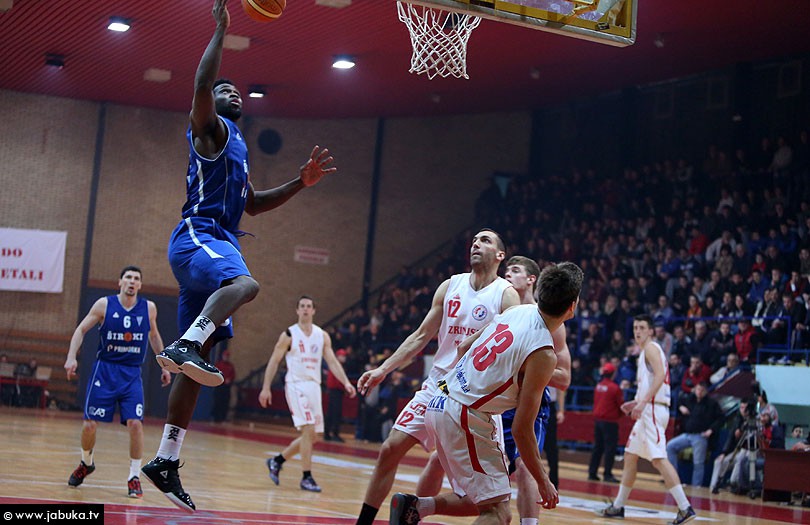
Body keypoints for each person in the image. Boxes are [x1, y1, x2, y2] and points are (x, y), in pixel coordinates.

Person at [141, 0, 336, 512]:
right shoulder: (209, 130)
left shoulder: (239, 150)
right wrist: (221, 30)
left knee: (198, 365)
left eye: (237, 92)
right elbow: (203, 85)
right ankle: (187, 342)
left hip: (218, 241)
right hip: (197, 235)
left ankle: (165, 459)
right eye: (226, 90)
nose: (233, 93)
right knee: (246, 285)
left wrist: (301, 182)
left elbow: (253, 204)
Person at [389, 262, 583, 525]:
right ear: (572, 306)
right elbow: (522, 430)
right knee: (498, 514)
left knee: (484, 500)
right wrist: (544, 481)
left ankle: (415, 507)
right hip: (465, 414)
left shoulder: (517, 311)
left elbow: (463, 348)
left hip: (441, 398)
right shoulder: (544, 354)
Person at [354, 229, 520, 525]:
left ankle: (418, 508)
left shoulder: (506, 295)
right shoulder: (450, 286)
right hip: (438, 387)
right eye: (474, 240)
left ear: (500, 255)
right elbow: (420, 336)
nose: (476, 244)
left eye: (485, 241)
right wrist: (383, 369)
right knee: (390, 448)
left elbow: (514, 346)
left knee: (487, 502)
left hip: (475, 398)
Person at [63, 266, 170, 498]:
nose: (132, 281)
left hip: (131, 374)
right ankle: (86, 463)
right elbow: (81, 330)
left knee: (135, 424)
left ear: (140, 285)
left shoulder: (149, 308)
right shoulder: (104, 305)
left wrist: (164, 364)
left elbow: (154, 336)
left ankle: (134, 476)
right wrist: (71, 357)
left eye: (136, 279)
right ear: (120, 282)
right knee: (89, 425)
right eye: (128, 277)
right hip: (105, 371)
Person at [598, 314, 696, 525]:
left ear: (651, 331)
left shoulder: (651, 348)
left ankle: (685, 507)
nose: (638, 331)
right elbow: (652, 382)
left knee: (659, 458)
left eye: (642, 327)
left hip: (652, 410)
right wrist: (635, 402)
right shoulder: (645, 352)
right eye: (635, 328)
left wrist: (643, 403)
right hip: (648, 408)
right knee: (630, 456)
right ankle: (618, 506)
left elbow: (660, 376)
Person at [260, 295, 356, 492]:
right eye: (302, 306)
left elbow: (332, 361)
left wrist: (346, 382)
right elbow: (274, 361)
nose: (305, 309)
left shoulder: (322, 335)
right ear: (297, 310)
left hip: (314, 386)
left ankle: (277, 461)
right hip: (296, 384)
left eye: (308, 306)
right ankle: (306, 477)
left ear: (313, 310)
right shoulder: (289, 334)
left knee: (314, 436)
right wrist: (266, 387)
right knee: (307, 429)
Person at [666, 381, 723, 486]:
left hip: (700, 436)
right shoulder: (690, 399)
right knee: (670, 446)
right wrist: (681, 407)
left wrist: (711, 430)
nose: (699, 392)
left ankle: (696, 486)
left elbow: (721, 418)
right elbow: (678, 401)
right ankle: (673, 479)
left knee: (698, 463)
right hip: (687, 434)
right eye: (698, 389)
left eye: (702, 390)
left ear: (706, 391)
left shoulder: (711, 403)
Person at [588, 363, 623, 483]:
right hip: (610, 422)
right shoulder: (615, 388)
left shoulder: (599, 386)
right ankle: (607, 474)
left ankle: (592, 472)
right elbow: (620, 405)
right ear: (613, 374)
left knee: (597, 447)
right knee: (610, 448)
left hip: (598, 420)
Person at [324, 348, 350, 442]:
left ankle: (328, 433)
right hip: (336, 392)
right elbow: (335, 382)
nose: (344, 358)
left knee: (331, 413)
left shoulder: (337, 366)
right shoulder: (337, 367)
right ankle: (334, 433)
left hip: (335, 392)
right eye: (342, 356)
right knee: (335, 413)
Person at [211, 349, 236, 422]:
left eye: (227, 356)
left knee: (225, 402)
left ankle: (223, 417)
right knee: (217, 401)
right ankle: (216, 417)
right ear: (223, 356)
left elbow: (233, 375)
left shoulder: (231, 366)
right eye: (225, 356)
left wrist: (229, 380)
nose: (226, 357)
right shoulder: (218, 365)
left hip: (226, 387)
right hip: (219, 386)